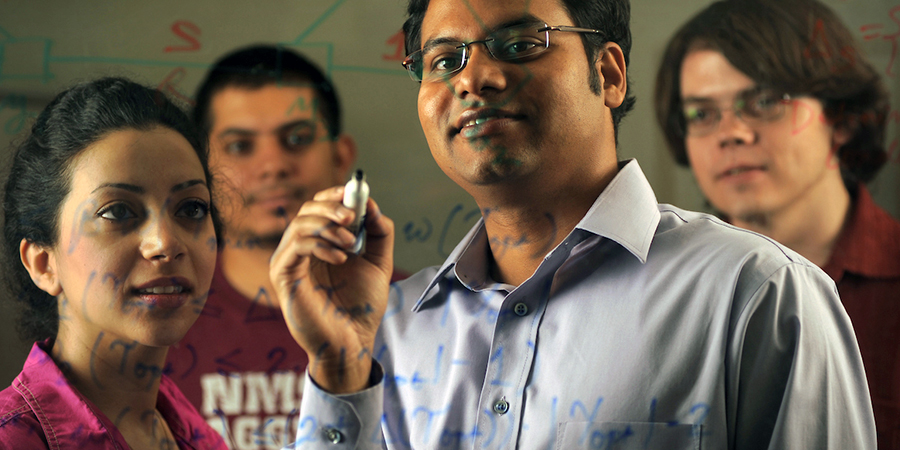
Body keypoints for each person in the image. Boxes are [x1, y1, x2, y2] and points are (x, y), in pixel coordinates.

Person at [269, 0, 874, 448]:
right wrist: (341, 372)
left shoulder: (756, 293)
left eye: (520, 44)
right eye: (444, 60)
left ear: (608, 75)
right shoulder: (389, 329)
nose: (473, 79)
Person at [653, 0, 900, 447]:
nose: (732, 133)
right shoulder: (655, 290)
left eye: (765, 102)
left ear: (842, 117)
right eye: (702, 114)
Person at [164, 45, 405, 449]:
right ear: (201, 168)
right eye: (240, 146)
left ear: (340, 156)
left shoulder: (416, 310)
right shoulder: (161, 316)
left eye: (297, 139)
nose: (273, 164)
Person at [0, 77, 226, 449]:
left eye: (192, 208)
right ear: (43, 263)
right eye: (118, 211)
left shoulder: (199, 438)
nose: (165, 243)